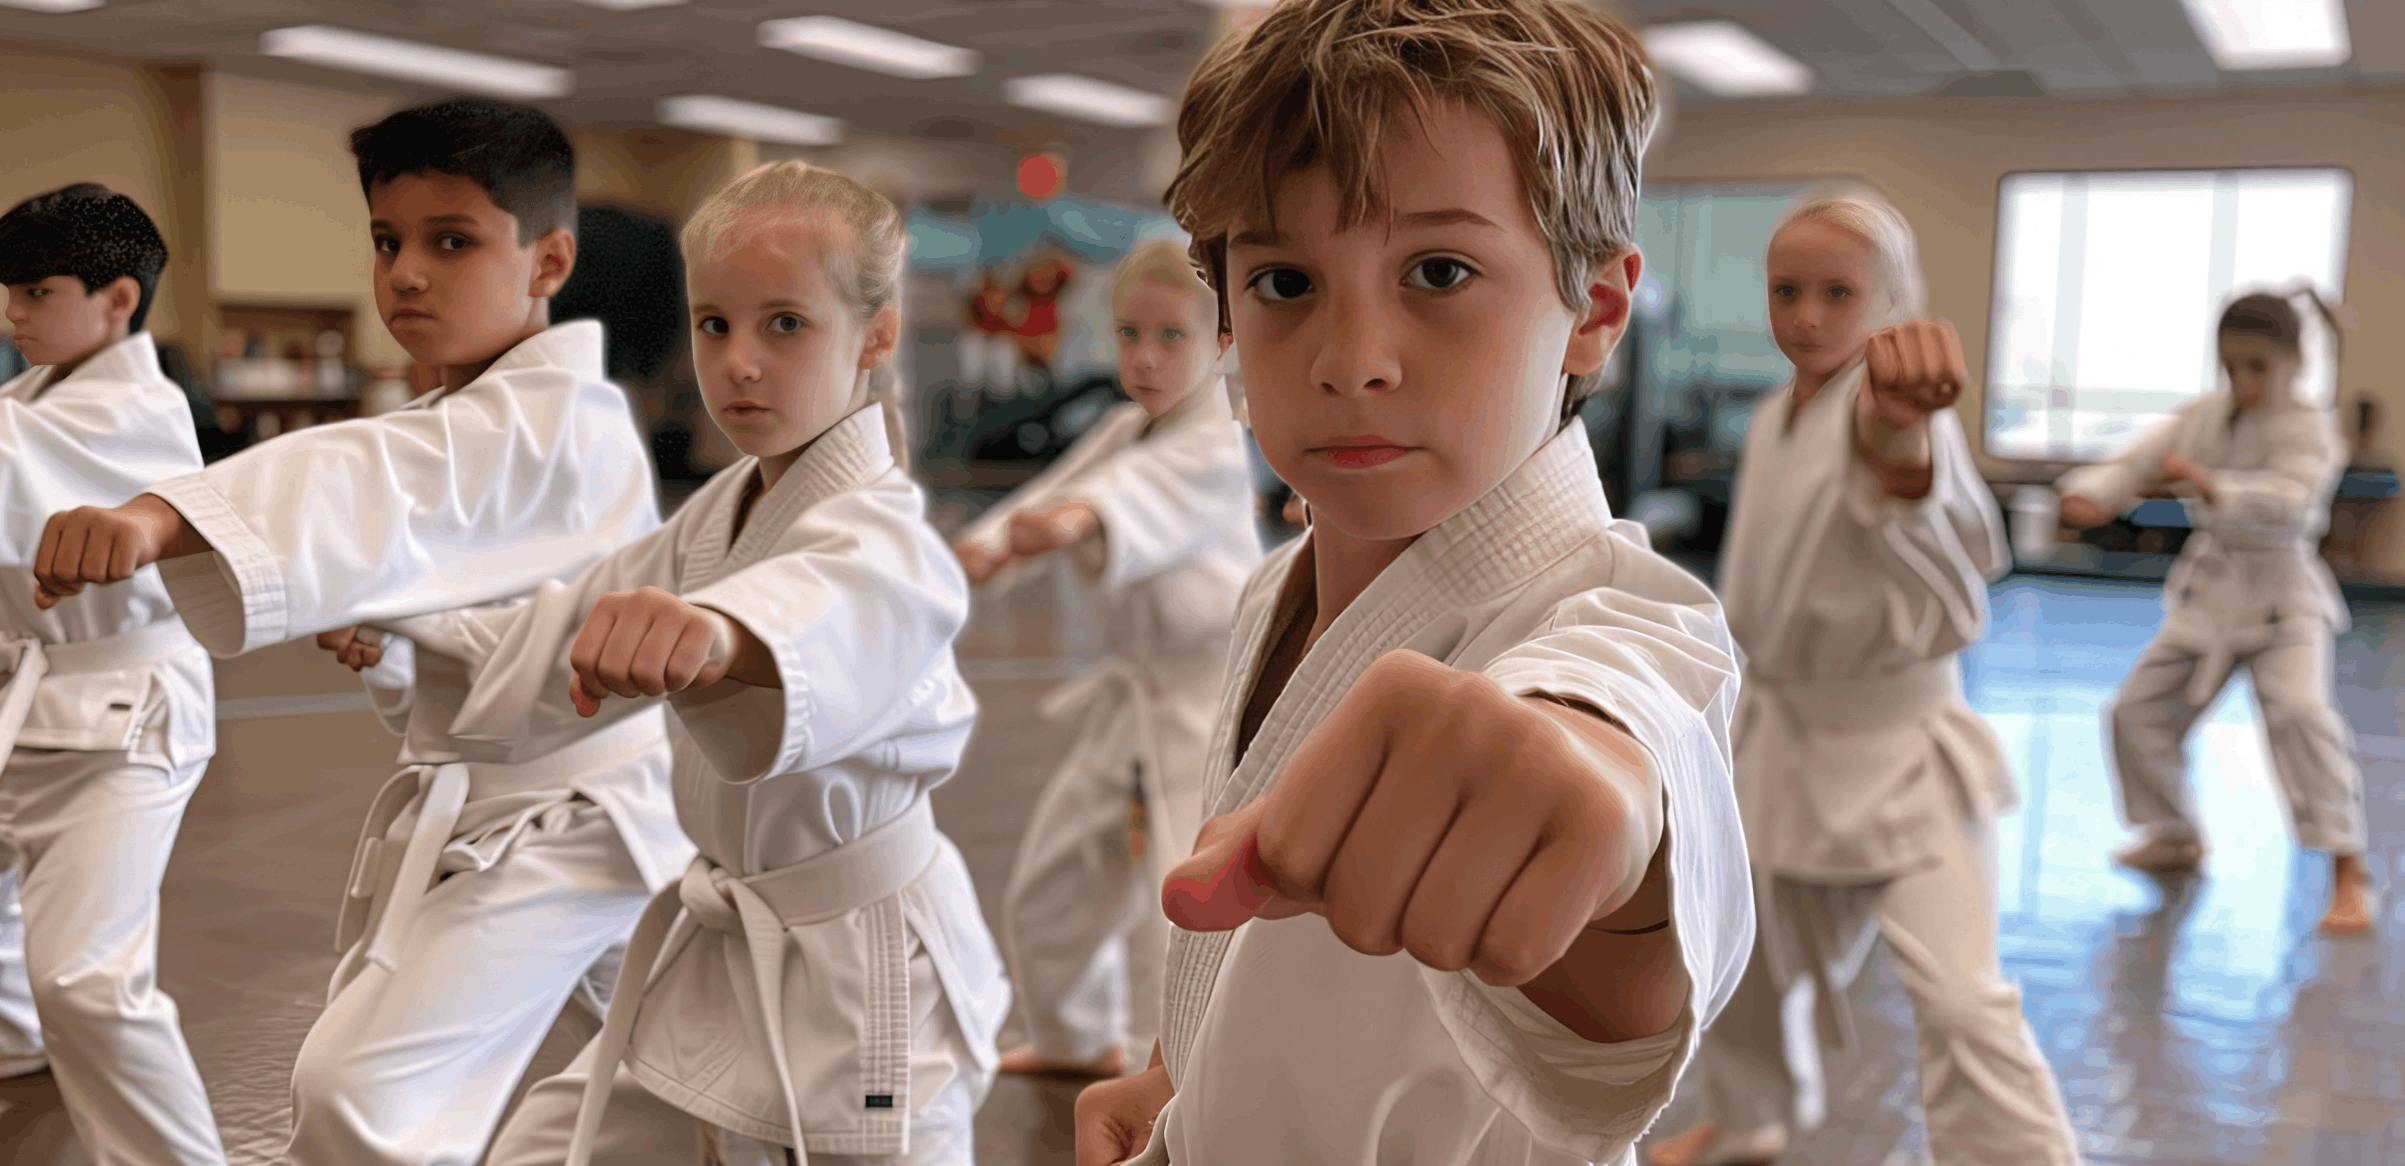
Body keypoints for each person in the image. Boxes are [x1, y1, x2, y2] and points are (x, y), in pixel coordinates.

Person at [1072, 2, 1754, 1162]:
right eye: (1284, 281)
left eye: (1437, 270)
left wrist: (1596, 798)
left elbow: (1610, 755)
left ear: (1593, 307)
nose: (1351, 361)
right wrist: (1185, 1091)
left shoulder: (1624, 621)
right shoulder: (1275, 584)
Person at [28, 99, 690, 1166]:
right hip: (543, 808)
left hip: (575, 821)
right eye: (387, 242)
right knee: (667, 1084)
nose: (407, 273)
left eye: (451, 241)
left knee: (360, 1094)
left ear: (547, 259)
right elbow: (492, 585)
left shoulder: (561, 417)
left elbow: (372, 477)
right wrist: (404, 644)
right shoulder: (471, 416)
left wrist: (159, 515)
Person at [389, 160, 1000, 1166]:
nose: (740, 363)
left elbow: (825, 606)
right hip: (720, 947)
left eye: (784, 324)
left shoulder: (888, 537)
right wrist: (412, 633)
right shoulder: (716, 515)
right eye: (715, 325)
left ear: (877, 334)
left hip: (861, 969)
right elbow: (560, 631)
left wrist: (719, 634)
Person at [1647, 194, 2081, 1166]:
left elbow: (1922, 501)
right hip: (1779, 736)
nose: (1805, 314)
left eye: (1837, 292)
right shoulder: (1771, 415)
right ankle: (1752, 1116)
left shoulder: (1887, 410)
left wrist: (1896, 433)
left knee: (1965, 1000)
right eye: (1784, 290)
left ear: (1892, 302)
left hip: (1900, 746)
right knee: (1741, 963)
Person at [954, 238, 1262, 1080]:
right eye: (1129, 334)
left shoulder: (1210, 445)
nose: (1145, 357)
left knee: (1185, 901)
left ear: (1222, 344)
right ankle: (1075, 1037)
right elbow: (1053, 494)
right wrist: (982, 552)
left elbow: (1118, 501)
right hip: (1131, 705)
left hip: (1203, 713)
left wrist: (1072, 525)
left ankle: (1200, 1077)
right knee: (1053, 885)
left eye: (1171, 337)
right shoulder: (1128, 427)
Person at [0, 182, 226, 1166]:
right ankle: (16, 1037)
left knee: (90, 978)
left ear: (118, 298)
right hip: (34, 694)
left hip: (127, 720)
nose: (12, 313)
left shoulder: (139, 408)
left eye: (35, 291)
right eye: (5, 291)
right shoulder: (28, 397)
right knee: (42, 969)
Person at [2056, 286, 2371, 935]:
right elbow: (2138, 458)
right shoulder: (2205, 416)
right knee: (2135, 709)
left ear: (2292, 361)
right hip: (2212, 591)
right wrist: (2093, 494)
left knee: (2301, 714)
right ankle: (2174, 836)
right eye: (2231, 366)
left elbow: (2290, 505)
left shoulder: (2310, 428)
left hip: (2283, 601)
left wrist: (2209, 484)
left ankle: (2348, 869)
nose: (2243, 381)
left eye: (2258, 366)